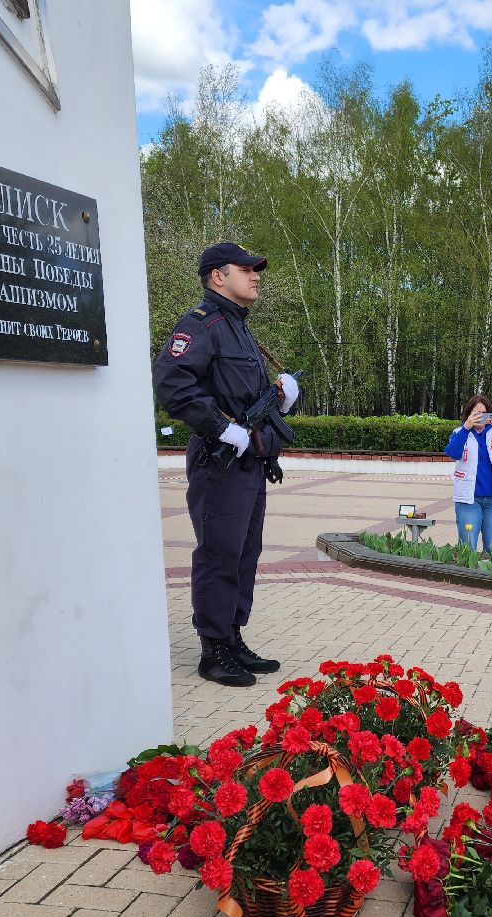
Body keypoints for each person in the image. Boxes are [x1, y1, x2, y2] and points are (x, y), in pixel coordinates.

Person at [153, 241, 300, 687]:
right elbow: (171, 382)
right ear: (219, 276)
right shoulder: (202, 324)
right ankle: (213, 649)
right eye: (246, 268)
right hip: (219, 461)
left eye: (257, 269)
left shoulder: (239, 328)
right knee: (219, 553)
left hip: (249, 462)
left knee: (245, 552)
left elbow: (245, 396)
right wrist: (221, 428)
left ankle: (232, 637)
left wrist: (283, 399)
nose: (255, 276)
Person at [445, 395, 492, 552]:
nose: (480, 417)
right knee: (467, 546)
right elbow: (453, 453)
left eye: (484, 413)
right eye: (476, 413)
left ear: (490, 415)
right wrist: (466, 428)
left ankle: (490, 569)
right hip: (468, 500)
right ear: (468, 414)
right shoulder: (459, 432)